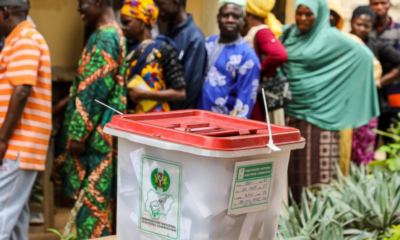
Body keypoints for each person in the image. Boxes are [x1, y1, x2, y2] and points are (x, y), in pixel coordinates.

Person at [283, 0, 379, 202]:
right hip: (291, 112)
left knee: (319, 173)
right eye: (299, 13)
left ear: (319, 15)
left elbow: (363, 57)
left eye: (308, 14)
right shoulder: (289, 34)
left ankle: (319, 225)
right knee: (293, 170)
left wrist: (337, 89)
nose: (302, 18)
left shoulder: (331, 37)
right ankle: (294, 223)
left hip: (323, 115)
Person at [52, 0, 126, 238]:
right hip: (100, 134)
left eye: (82, 3)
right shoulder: (111, 33)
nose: (79, 10)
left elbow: (95, 89)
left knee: (92, 206)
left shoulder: (106, 37)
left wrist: (78, 133)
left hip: (94, 140)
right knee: (95, 203)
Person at [0, 0, 52, 239]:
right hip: (18, 144)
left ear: (4, 11)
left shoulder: (25, 40)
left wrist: (2, 139)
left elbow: (21, 90)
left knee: (3, 208)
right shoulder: (19, 39)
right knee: (16, 211)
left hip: (18, 144)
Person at [350, 6, 400, 165]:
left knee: (366, 145)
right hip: (345, 103)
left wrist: (380, 82)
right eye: (359, 24)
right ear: (351, 22)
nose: (362, 29)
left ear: (372, 28)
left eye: (367, 26)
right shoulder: (343, 41)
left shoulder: (376, 45)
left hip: (369, 104)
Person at [198, 0, 261, 119]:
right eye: (226, 15)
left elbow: (244, 105)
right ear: (218, 18)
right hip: (195, 117)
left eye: (236, 16)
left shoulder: (248, 56)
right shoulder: (207, 43)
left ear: (243, 21)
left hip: (220, 125)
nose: (230, 20)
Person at [121, 0, 186, 113]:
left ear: (142, 22)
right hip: (131, 118)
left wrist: (145, 94)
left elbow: (180, 93)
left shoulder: (163, 49)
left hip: (155, 119)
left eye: (127, 22)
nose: (123, 27)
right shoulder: (129, 50)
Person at [154, 0, 207, 110]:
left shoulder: (194, 38)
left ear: (176, 2)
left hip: (178, 116)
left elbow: (190, 89)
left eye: (161, 4)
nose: (157, 9)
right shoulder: (168, 32)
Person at [242, 0, 287, 124]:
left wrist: (260, 71)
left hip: (262, 94)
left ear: (247, 14)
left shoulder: (261, 32)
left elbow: (279, 54)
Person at [370, 0, 400, 142]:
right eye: (375, 3)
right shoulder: (367, 29)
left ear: (389, 5)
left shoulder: (398, 30)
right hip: (371, 98)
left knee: (392, 140)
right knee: (370, 141)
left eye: (383, 2)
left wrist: (380, 81)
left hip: (394, 95)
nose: (379, 7)